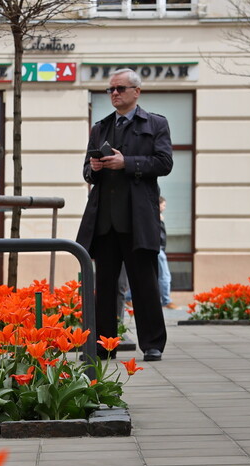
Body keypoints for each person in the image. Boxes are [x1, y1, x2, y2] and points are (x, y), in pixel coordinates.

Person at [75, 68, 172, 363]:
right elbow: (86, 171)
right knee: (103, 288)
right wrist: (96, 167)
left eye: (120, 89)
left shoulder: (156, 123)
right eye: (111, 90)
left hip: (138, 218)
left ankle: (153, 344)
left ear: (136, 92)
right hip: (105, 219)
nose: (114, 94)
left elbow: (164, 163)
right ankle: (105, 345)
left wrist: (125, 162)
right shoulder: (100, 127)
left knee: (145, 284)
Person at [157, 196, 176, 310]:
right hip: (158, 249)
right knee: (165, 275)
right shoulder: (156, 216)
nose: (165, 207)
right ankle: (166, 300)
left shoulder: (158, 217)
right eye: (163, 205)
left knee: (154, 276)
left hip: (159, 248)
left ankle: (129, 297)